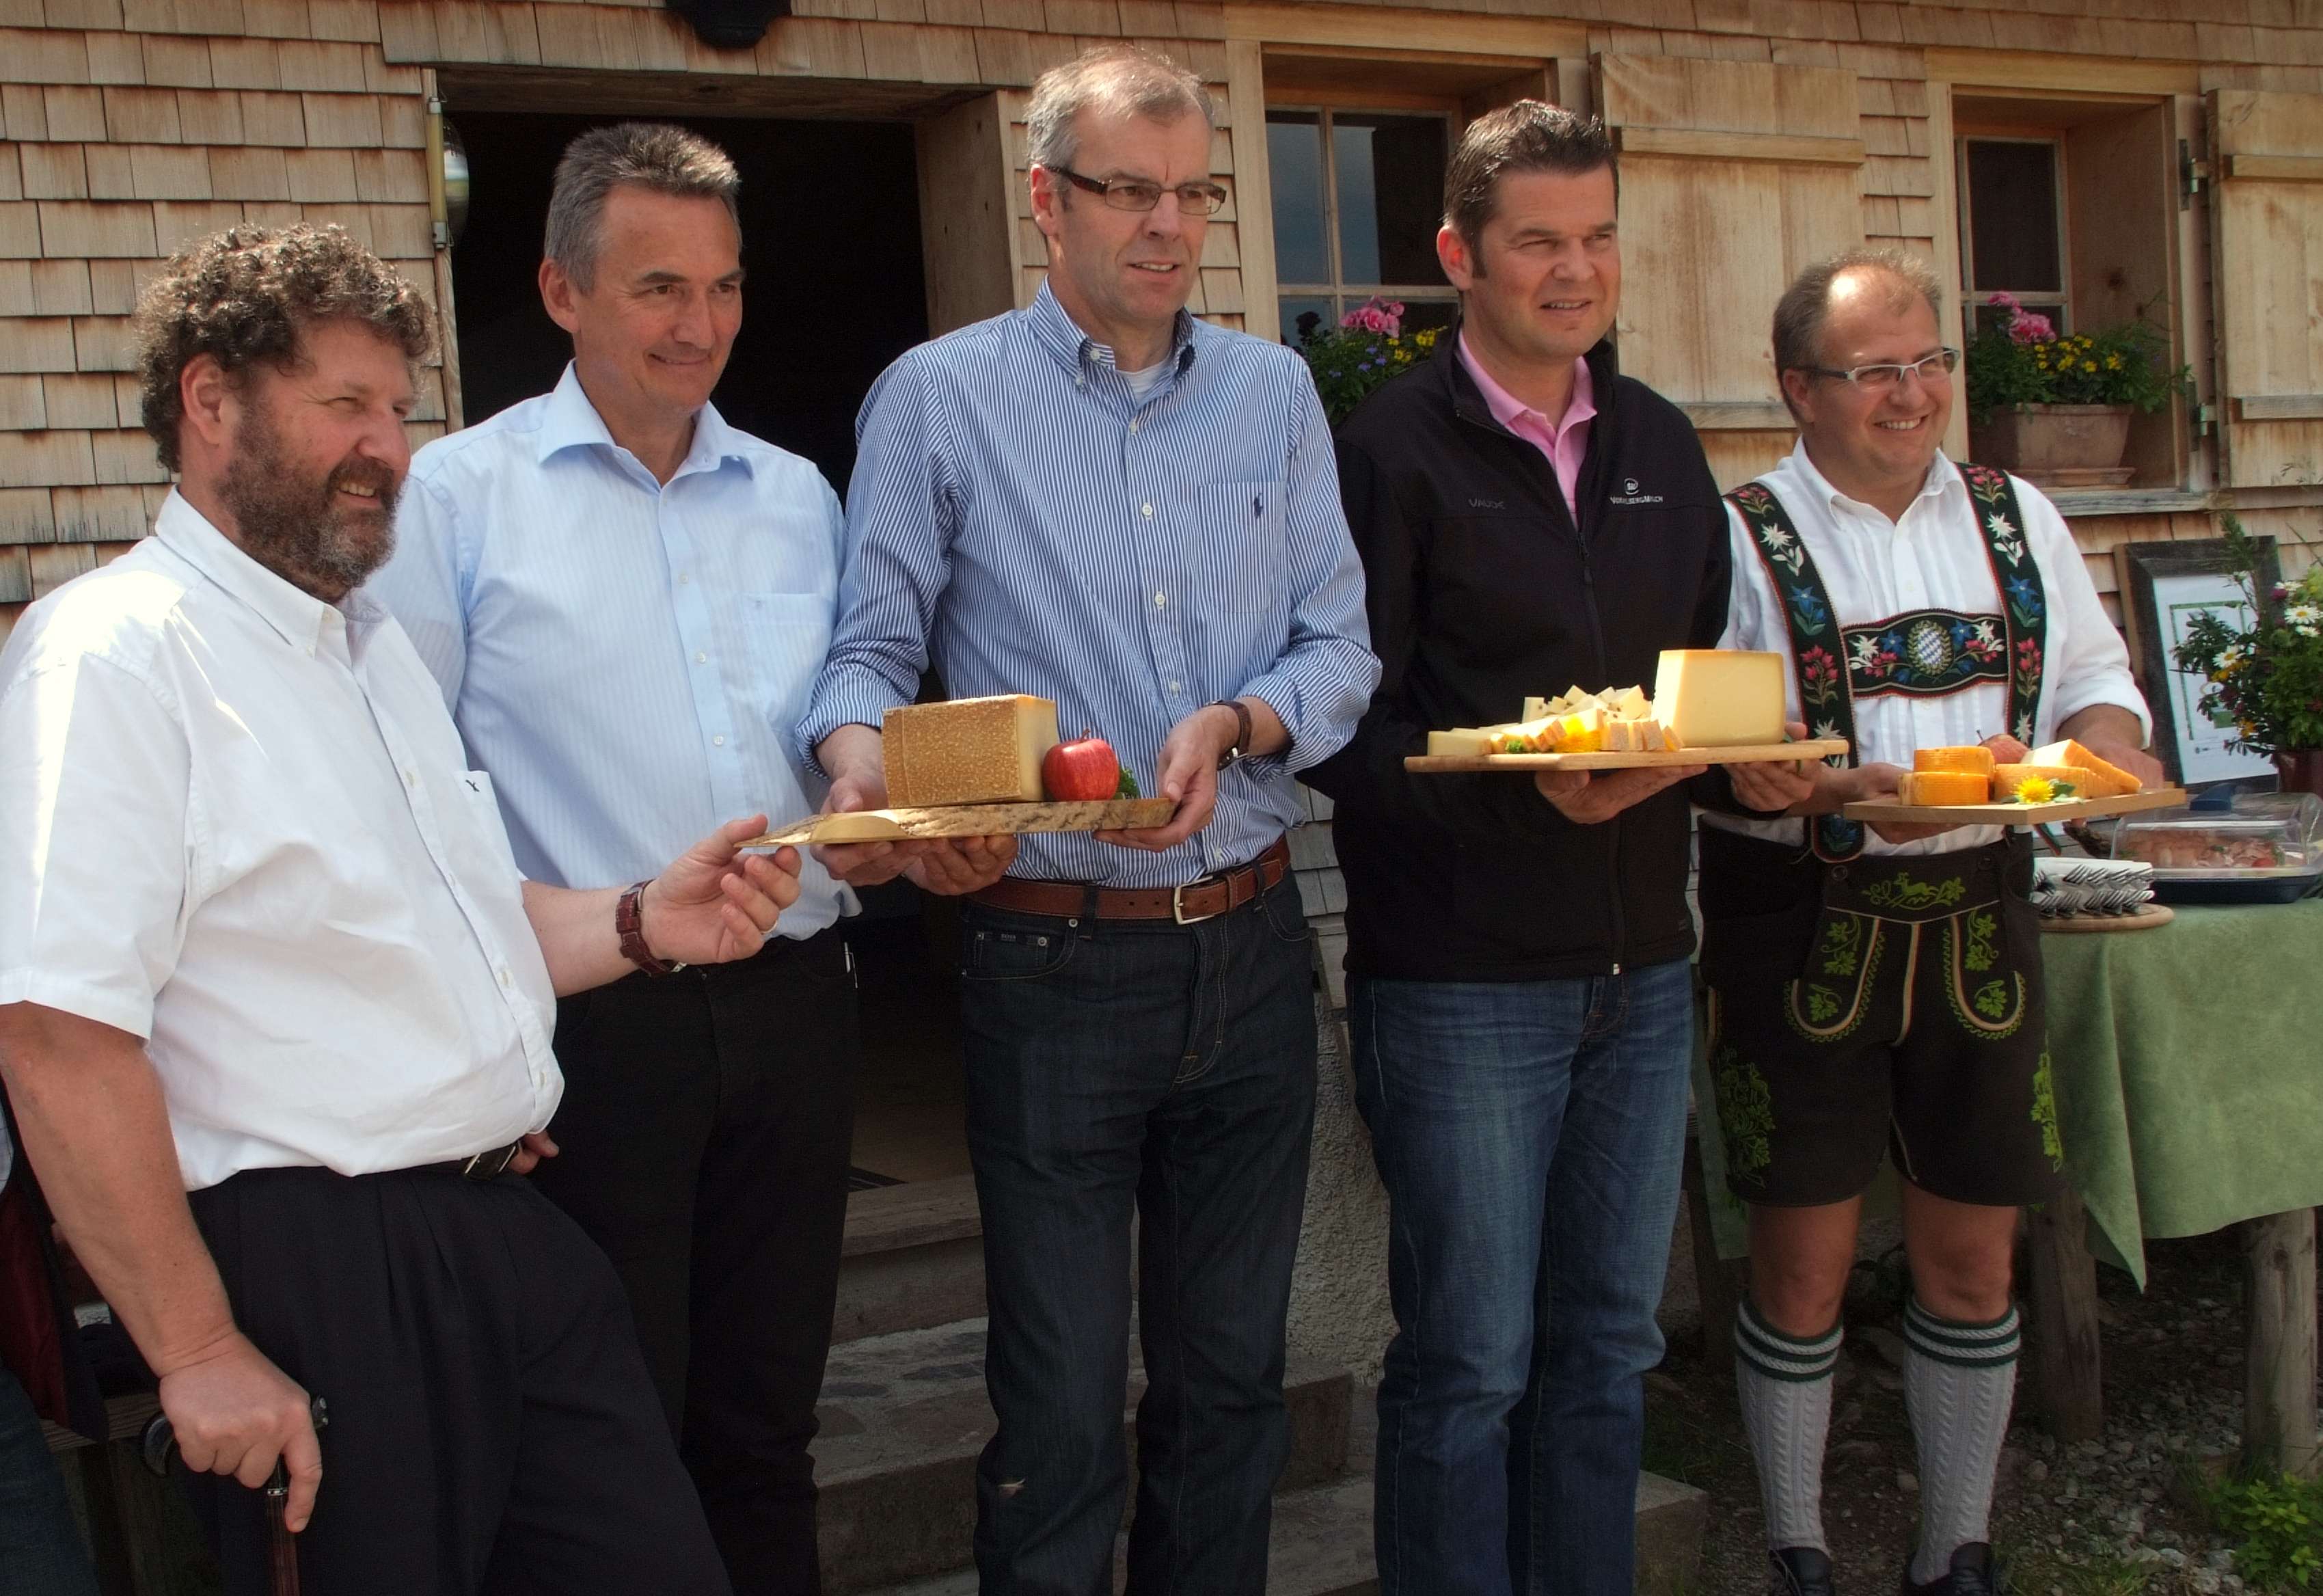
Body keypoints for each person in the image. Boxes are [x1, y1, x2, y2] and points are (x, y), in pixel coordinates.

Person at [0, 221, 804, 1595]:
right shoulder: (114, 654)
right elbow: (60, 1035)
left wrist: (638, 921)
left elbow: (458, 931)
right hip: (317, 1277)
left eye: (397, 409)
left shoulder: (367, 649)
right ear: (210, 401)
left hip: (506, 1236)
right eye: (344, 405)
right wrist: (197, 1347)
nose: (388, 448)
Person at [370, 122, 1006, 1595]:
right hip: (594, 1027)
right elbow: (405, 802)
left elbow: (835, 731)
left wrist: (883, 819)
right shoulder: (454, 501)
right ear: (561, 290)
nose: (699, 324)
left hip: (795, 1011)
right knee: (610, 1434)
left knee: (765, 1428)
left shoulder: (795, 494)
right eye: (657, 286)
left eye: (722, 286)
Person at [798, 44, 1377, 1595]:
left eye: (1193, 193)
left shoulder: (1272, 393)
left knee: (1231, 1390)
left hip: (1250, 943)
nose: (1169, 226)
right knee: (1057, 1411)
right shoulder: (940, 398)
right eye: (1130, 191)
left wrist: (1238, 724)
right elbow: (866, 658)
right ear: (1044, 201)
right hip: (1048, 961)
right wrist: (865, 781)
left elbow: (1338, 649)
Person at [1303, 101, 1808, 1596]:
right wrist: (1526, 796)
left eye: (1596, 237)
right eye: (1537, 241)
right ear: (1458, 253)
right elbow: (1340, 735)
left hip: (1641, 970)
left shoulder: (1658, 441)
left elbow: (1690, 692)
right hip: (1460, 984)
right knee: (1468, 1363)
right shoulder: (1386, 452)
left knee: (1605, 1349)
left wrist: (1742, 766)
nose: (1574, 270)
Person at [1698, 248, 2160, 1596]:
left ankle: (1955, 1547)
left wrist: (2099, 753)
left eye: (1928, 363)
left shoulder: (2016, 514)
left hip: (1978, 917)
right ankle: (1796, 1547)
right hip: (1800, 925)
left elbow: (2094, 680)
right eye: (1874, 372)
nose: (1911, 394)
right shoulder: (1735, 536)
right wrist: (1797, 782)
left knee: (1972, 1258)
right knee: (1803, 1266)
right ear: (1798, 389)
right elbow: (1705, 746)